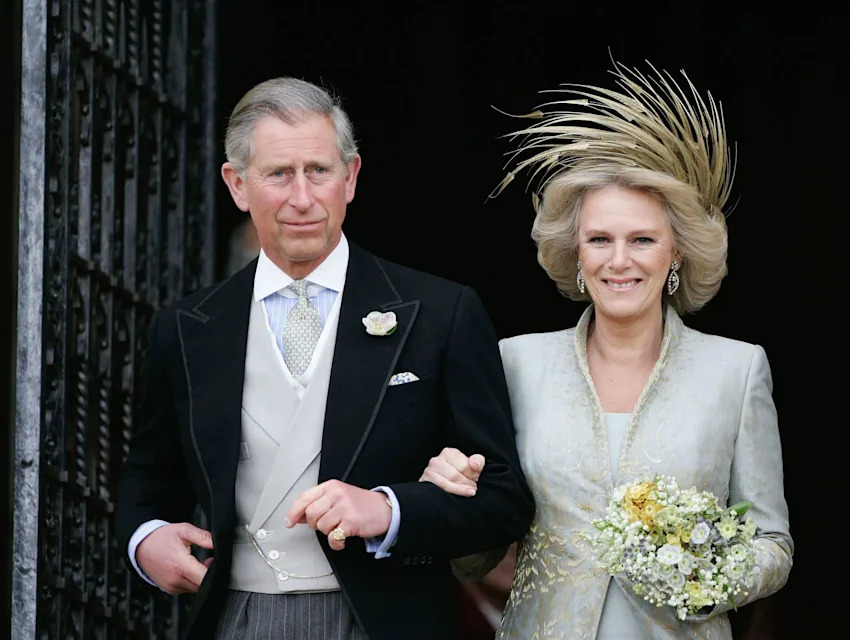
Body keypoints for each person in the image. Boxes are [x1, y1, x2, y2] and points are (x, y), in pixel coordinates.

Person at [115, 76, 535, 640]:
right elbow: (148, 476)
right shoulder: (186, 329)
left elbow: (504, 499)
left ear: (351, 177)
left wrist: (391, 511)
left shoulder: (442, 313)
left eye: (319, 170)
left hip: (387, 619)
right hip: (238, 617)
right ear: (237, 185)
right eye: (278, 175)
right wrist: (146, 540)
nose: (303, 198)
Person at [419, 60, 794, 639]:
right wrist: (451, 501)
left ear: (676, 254)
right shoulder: (516, 363)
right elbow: (475, 557)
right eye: (600, 239)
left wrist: (711, 574)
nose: (619, 260)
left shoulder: (737, 370)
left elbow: (773, 545)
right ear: (576, 253)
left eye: (642, 239)